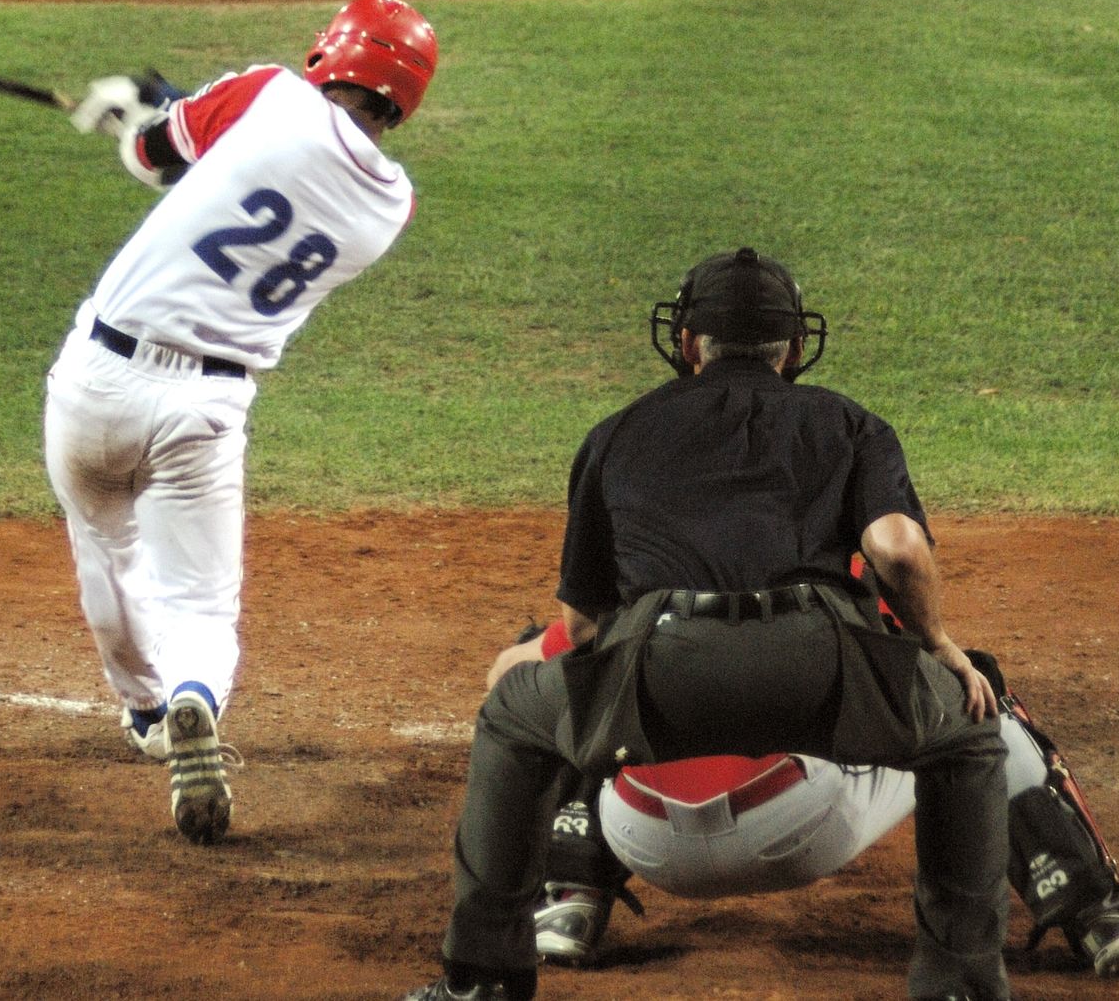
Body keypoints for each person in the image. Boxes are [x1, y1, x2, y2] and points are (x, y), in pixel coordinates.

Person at [397, 249, 1012, 1001]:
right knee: (970, 731)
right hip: (821, 664)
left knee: (513, 719)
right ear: (792, 349)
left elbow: (582, 624)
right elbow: (897, 548)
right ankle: (960, 984)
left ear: (688, 343)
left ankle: (484, 978)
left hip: (663, 665)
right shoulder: (848, 422)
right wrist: (940, 648)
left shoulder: (616, 432)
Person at [47, 0, 434, 843]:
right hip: (207, 409)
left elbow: (156, 157)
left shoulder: (268, 91)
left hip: (96, 379)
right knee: (202, 608)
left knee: (107, 550)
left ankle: (146, 708)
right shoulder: (388, 207)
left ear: (329, 51)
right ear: (403, 99)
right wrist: (178, 105)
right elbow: (273, 158)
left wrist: (133, 112)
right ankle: (193, 697)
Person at [487, 613, 1119, 977]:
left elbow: (508, 678)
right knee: (974, 698)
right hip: (798, 827)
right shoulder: (828, 555)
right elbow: (927, 667)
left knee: (579, 686)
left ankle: (564, 902)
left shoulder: (631, 560)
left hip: (640, 838)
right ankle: (1099, 913)